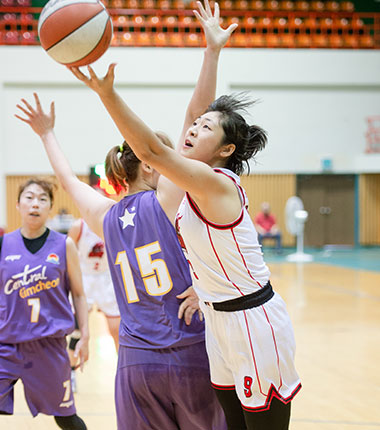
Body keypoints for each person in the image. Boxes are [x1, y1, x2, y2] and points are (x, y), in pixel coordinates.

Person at [64, 18, 302, 430]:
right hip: (217, 319)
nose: (192, 128)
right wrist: (211, 52)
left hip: (252, 319)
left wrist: (107, 94)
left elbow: (154, 150)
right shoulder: (183, 189)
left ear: (226, 149)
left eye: (205, 128)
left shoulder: (215, 182)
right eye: (193, 126)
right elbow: (194, 113)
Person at [16, 1, 236, 429]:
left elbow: (66, 179)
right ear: (153, 164)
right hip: (188, 352)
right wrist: (211, 53)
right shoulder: (169, 197)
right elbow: (196, 116)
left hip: (134, 365)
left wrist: (46, 134)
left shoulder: (105, 214)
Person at [0, 178, 89, 430]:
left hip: (49, 346)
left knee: (66, 418)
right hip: (6, 343)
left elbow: (79, 294)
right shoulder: (3, 244)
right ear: (17, 205)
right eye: (29, 197)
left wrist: (85, 334)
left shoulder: (64, 245)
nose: (35, 204)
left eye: (42, 198)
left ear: (50, 207)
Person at [67, 213, 121, 392]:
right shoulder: (78, 226)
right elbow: (67, 253)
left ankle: (123, 374)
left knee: (117, 330)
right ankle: (70, 373)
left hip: (107, 278)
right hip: (85, 279)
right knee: (76, 331)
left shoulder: (111, 223)